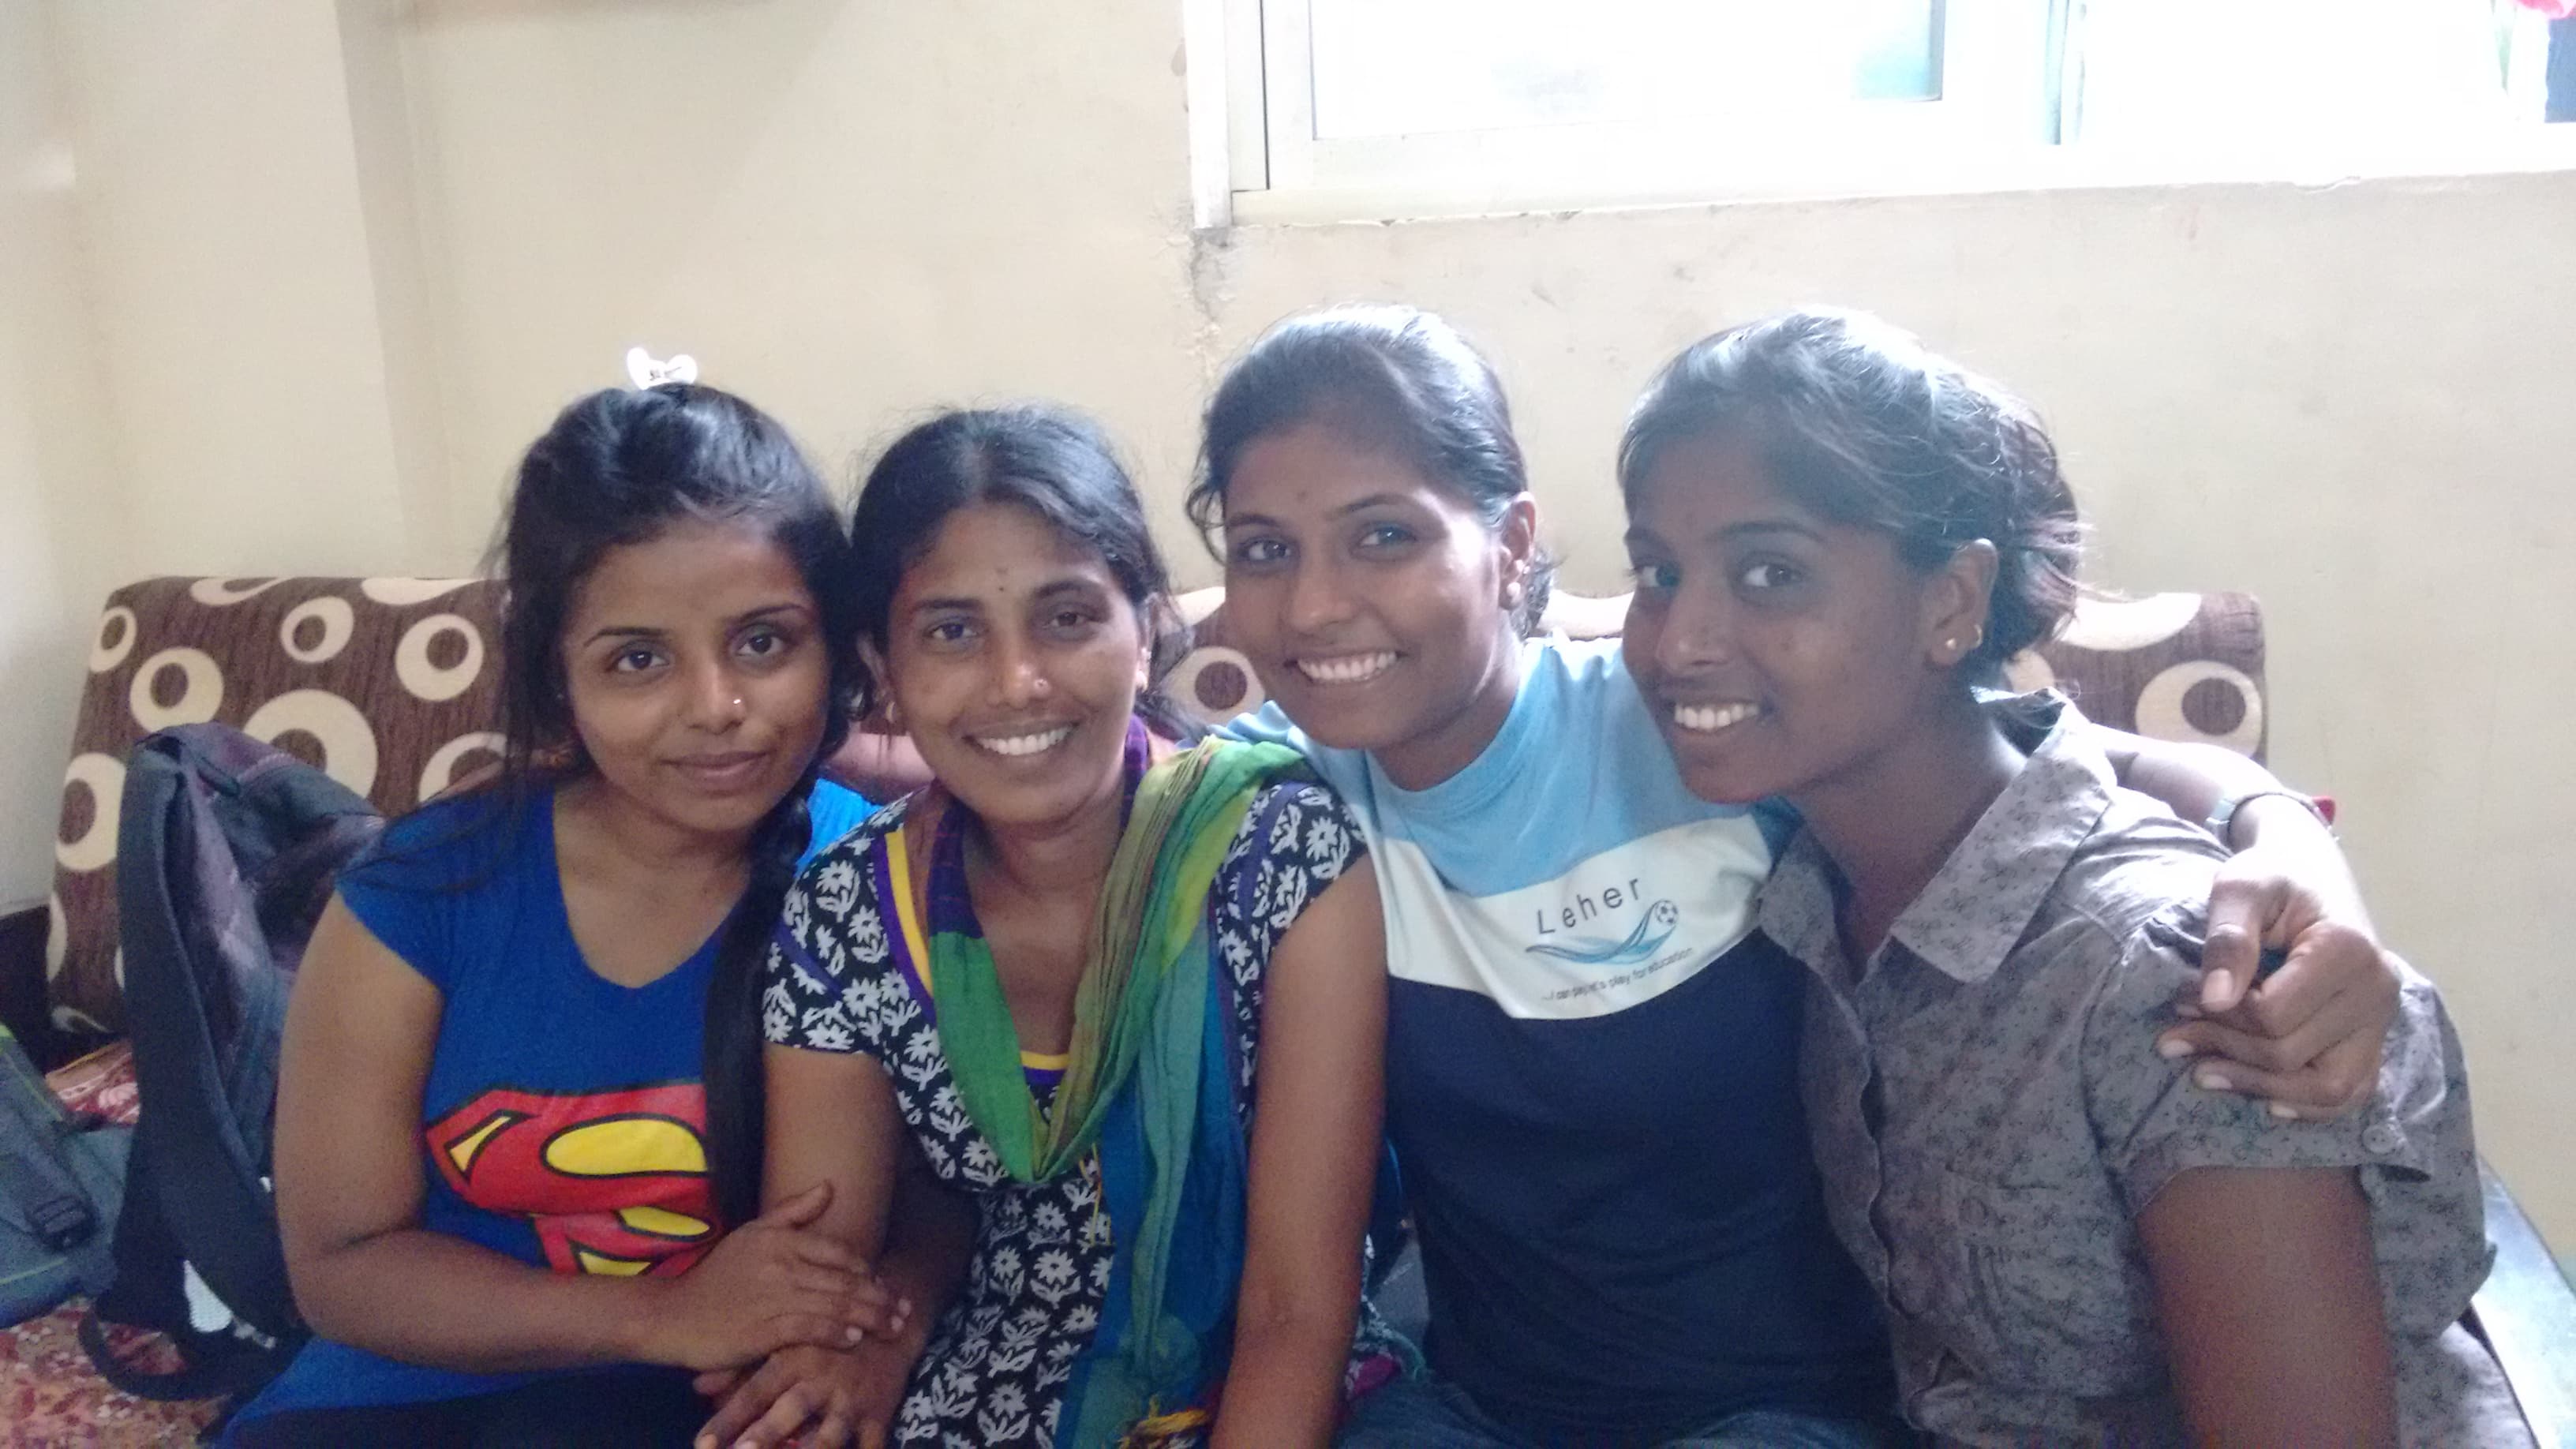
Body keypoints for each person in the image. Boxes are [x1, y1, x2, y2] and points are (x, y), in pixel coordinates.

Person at [1185, 305, 2411, 1447]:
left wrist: (2286, 835)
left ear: (1510, 545)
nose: (1318, 603)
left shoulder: (1707, 730)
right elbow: (1080, 812)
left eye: (1383, 536)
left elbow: (2045, 761)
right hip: (1479, 1402)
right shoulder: (1282, 808)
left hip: (1785, 1414)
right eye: (1263, 550)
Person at [1616, 306, 2523, 1446]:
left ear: (1949, 604)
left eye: (1769, 572)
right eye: (1657, 571)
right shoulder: (1818, 879)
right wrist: (2271, 811)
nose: (1679, 639)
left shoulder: (2176, 981)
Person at [232, 380, 907, 1447]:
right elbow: (342, 1267)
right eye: (638, 659)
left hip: (700, 1402)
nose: (715, 706)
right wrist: (659, 1314)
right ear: (559, 682)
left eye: (765, 643)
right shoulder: (421, 896)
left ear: (836, 651)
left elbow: (929, 1208)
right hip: (405, 1394)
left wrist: (864, 1337)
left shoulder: (872, 882)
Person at [706, 406, 1391, 1448]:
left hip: (1270, 1375)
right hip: (982, 1374)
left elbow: (1297, 1307)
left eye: (1069, 616)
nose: (1016, 680)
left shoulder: (1281, 858)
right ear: (881, 666)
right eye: (950, 631)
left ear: (1148, 626)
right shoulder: (850, 911)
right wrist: (850, 1350)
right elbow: (830, 1265)